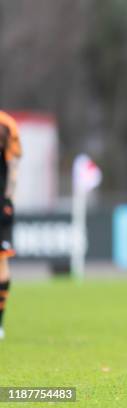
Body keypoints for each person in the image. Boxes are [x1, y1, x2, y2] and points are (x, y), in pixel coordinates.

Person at [0, 111, 22, 340]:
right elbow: (14, 169)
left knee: (1, 261)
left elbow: (13, 167)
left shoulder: (6, 124)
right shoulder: (7, 123)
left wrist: (7, 200)